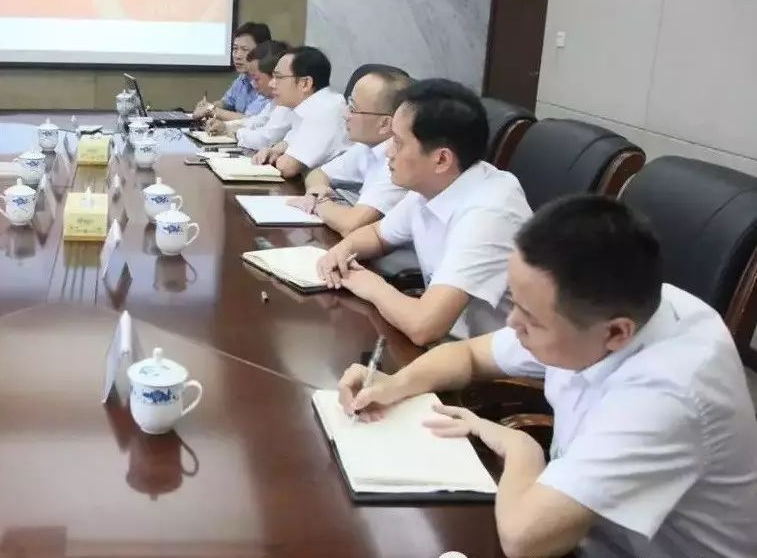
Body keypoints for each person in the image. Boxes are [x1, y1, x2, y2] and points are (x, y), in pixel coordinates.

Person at [337, 196, 757, 558]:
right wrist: (395, 384)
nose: (512, 323)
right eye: (515, 302)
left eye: (531, 319)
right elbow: (468, 355)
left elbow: (524, 539)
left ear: (616, 333)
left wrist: (520, 447)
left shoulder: (668, 393)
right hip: (587, 524)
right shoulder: (597, 308)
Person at [316, 79, 531, 344]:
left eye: (398, 142)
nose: (388, 152)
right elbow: (377, 235)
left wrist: (367, 283)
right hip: (450, 346)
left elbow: (423, 326)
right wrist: (343, 250)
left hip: (493, 361)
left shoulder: (489, 214)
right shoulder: (434, 184)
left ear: (441, 159)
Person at [291, 67, 411, 236]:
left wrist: (320, 202)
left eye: (353, 109)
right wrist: (318, 190)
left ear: (385, 124)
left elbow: (351, 224)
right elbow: (318, 173)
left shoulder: (399, 161)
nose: (345, 114)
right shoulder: (368, 146)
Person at [251, 46, 350, 179]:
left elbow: (287, 167)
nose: (271, 84)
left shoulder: (326, 109)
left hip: (336, 189)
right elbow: (289, 142)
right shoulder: (310, 106)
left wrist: (279, 156)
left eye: (278, 77)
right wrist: (273, 151)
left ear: (305, 83)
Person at [206, 42, 294, 150]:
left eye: (256, 78)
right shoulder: (275, 102)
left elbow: (264, 140)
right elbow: (256, 122)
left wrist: (235, 133)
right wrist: (225, 127)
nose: (253, 84)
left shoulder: (288, 104)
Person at [193, 22, 272, 121]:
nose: (237, 55)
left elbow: (250, 120)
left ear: (262, 52)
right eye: (235, 49)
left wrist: (210, 109)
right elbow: (226, 102)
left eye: (244, 49)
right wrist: (208, 105)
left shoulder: (268, 82)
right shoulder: (243, 78)